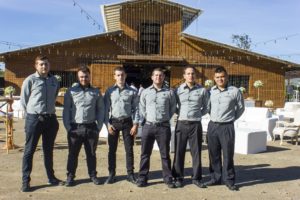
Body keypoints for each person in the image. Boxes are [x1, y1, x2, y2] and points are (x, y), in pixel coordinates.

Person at [20, 55, 62, 192]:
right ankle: (25, 181)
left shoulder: (54, 80)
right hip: (34, 119)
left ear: (49, 65)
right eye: (41, 64)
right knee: (29, 151)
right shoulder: (30, 80)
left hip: (50, 119)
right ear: (36, 66)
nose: (44, 67)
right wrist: (31, 115)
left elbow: (55, 96)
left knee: (48, 150)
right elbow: (24, 100)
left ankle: (51, 178)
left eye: (46, 64)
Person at [63, 66, 104, 186]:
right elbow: (66, 110)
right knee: (72, 154)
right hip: (75, 128)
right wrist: (68, 127)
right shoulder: (71, 91)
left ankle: (93, 175)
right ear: (78, 77)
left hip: (91, 127)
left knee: (91, 153)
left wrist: (99, 126)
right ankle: (70, 176)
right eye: (81, 76)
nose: (84, 79)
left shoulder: (96, 92)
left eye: (86, 76)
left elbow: (100, 109)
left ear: (90, 76)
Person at [204, 66, 245, 191]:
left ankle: (229, 180)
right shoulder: (211, 91)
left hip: (227, 127)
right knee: (213, 154)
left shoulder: (235, 91)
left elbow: (241, 108)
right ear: (214, 79)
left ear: (227, 77)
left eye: (222, 77)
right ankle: (215, 178)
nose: (220, 79)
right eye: (217, 77)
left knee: (228, 154)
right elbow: (208, 107)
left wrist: (231, 119)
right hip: (213, 126)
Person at [136, 68, 177, 188]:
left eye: (160, 75)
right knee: (145, 154)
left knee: (164, 154)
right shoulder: (145, 92)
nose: (158, 77)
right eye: (156, 75)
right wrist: (149, 118)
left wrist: (164, 119)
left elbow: (172, 108)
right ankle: (142, 177)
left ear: (164, 77)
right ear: (152, 77)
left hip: (163, 127)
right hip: (148, 126)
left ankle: (168, 178)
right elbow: (142, 107)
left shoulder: (169, 92)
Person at [172, 66, 209, 188]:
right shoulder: (178, 90)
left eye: (193, 73)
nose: (191, 76)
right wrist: (180, 113)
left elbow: (206, 107)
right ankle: (178, 177)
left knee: (196, 152)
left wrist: (198, 114)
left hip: (195, 125)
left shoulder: (202, 90)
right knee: (179, 152)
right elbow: (174, 106)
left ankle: (197, 178)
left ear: (195, 75)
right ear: (184, 76)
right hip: (181, 124)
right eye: (188, 73)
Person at [104, 67, 139, 184]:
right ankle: (111, 174)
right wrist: (108, 125)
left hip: (127, 122)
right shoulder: (110, 91)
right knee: (111, 150)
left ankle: (130, 174)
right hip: (114, 123)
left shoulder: (132, 92)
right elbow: (105, 110)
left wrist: (135, 125)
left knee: (129, 150)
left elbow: (136, 109)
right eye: (118, 75)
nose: (120, 77)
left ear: (126, 76)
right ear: (114, 76)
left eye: (122, 75)